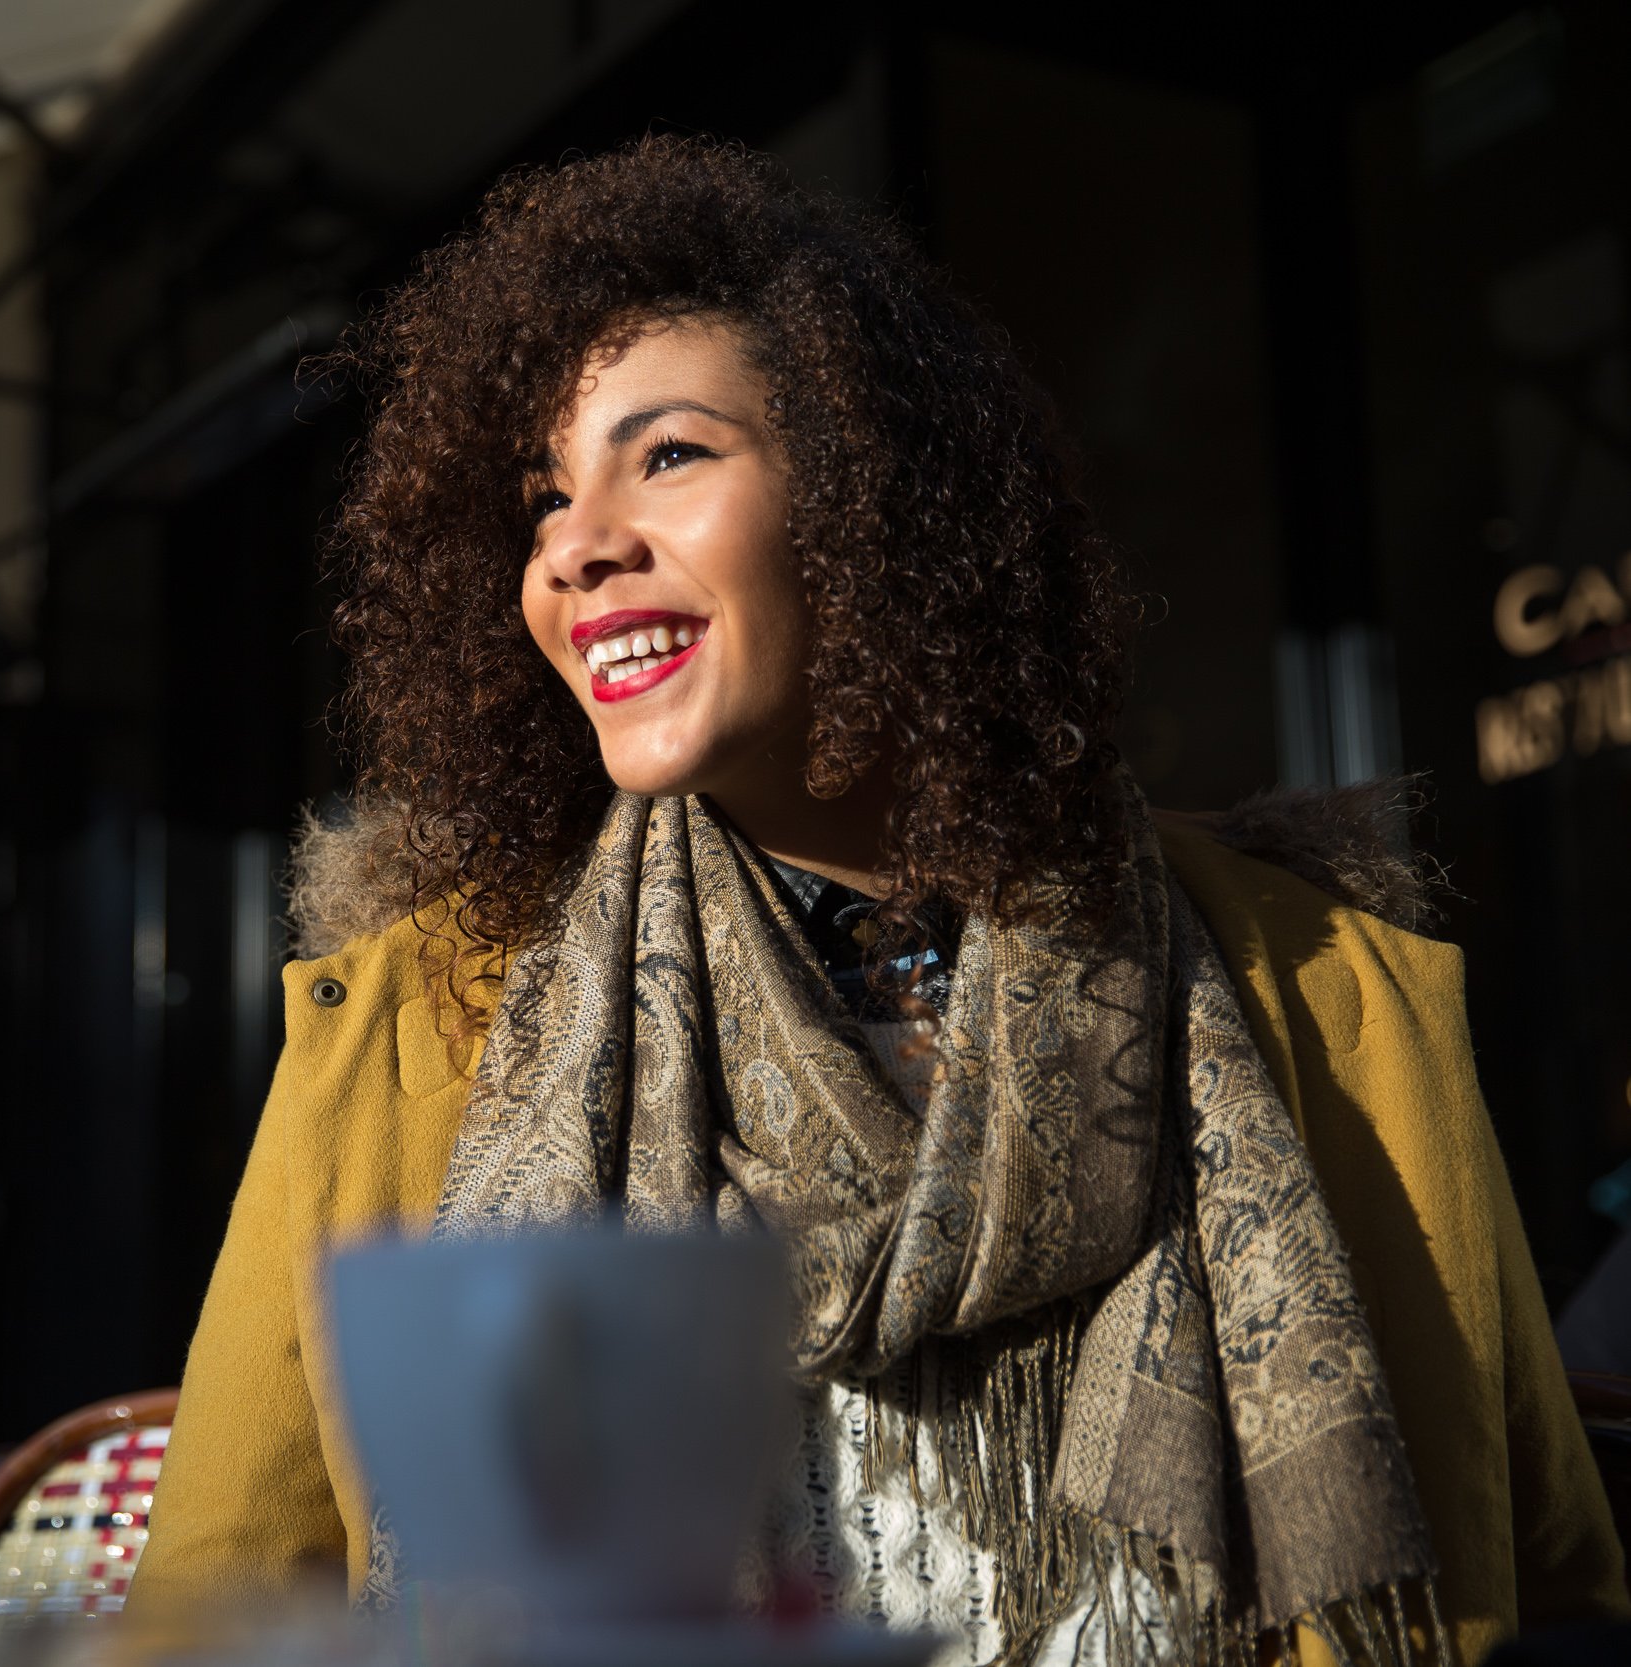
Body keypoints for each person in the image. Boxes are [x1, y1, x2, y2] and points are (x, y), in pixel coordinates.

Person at [127, 136, 1627, 1664]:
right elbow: (216, 1619)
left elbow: (1553, 1597)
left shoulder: (1320, 988)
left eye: (670, 455)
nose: (577, 547)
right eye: (539, 497)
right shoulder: (411, 1033)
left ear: (874, 504)